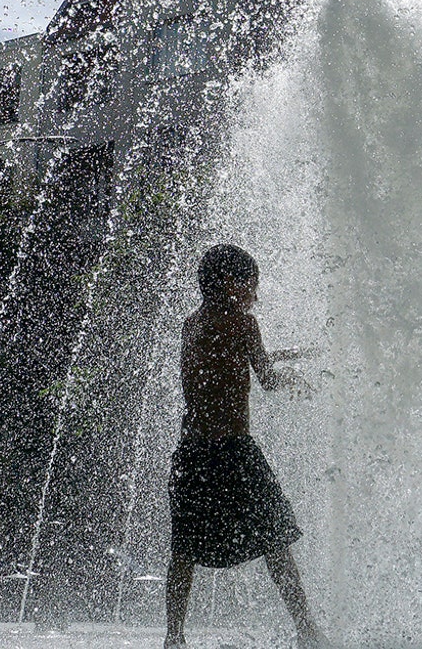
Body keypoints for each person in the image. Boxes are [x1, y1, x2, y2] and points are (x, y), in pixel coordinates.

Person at [165, 244, 324, 649]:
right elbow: (266, 376)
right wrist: (295, 378)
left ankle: (173, 636)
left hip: (192, 452)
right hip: (234, 451)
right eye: (253, 285)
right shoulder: (244, 324)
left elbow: (239, 359)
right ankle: (308, 632)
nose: (257, 294)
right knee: (276, 540)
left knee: (183, 548)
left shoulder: (193, 323)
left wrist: (289, 354)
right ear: (232, 285)